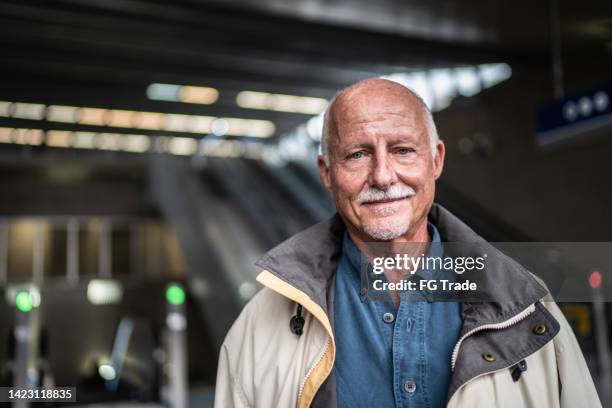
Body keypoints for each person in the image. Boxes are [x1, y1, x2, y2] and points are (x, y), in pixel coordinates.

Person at [214, 79, 601, 407]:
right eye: (357, 154)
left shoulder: (526, 306)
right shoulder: (259, 327)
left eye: (402, 150)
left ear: (435, 160)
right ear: (326, 173)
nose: (382, 176)